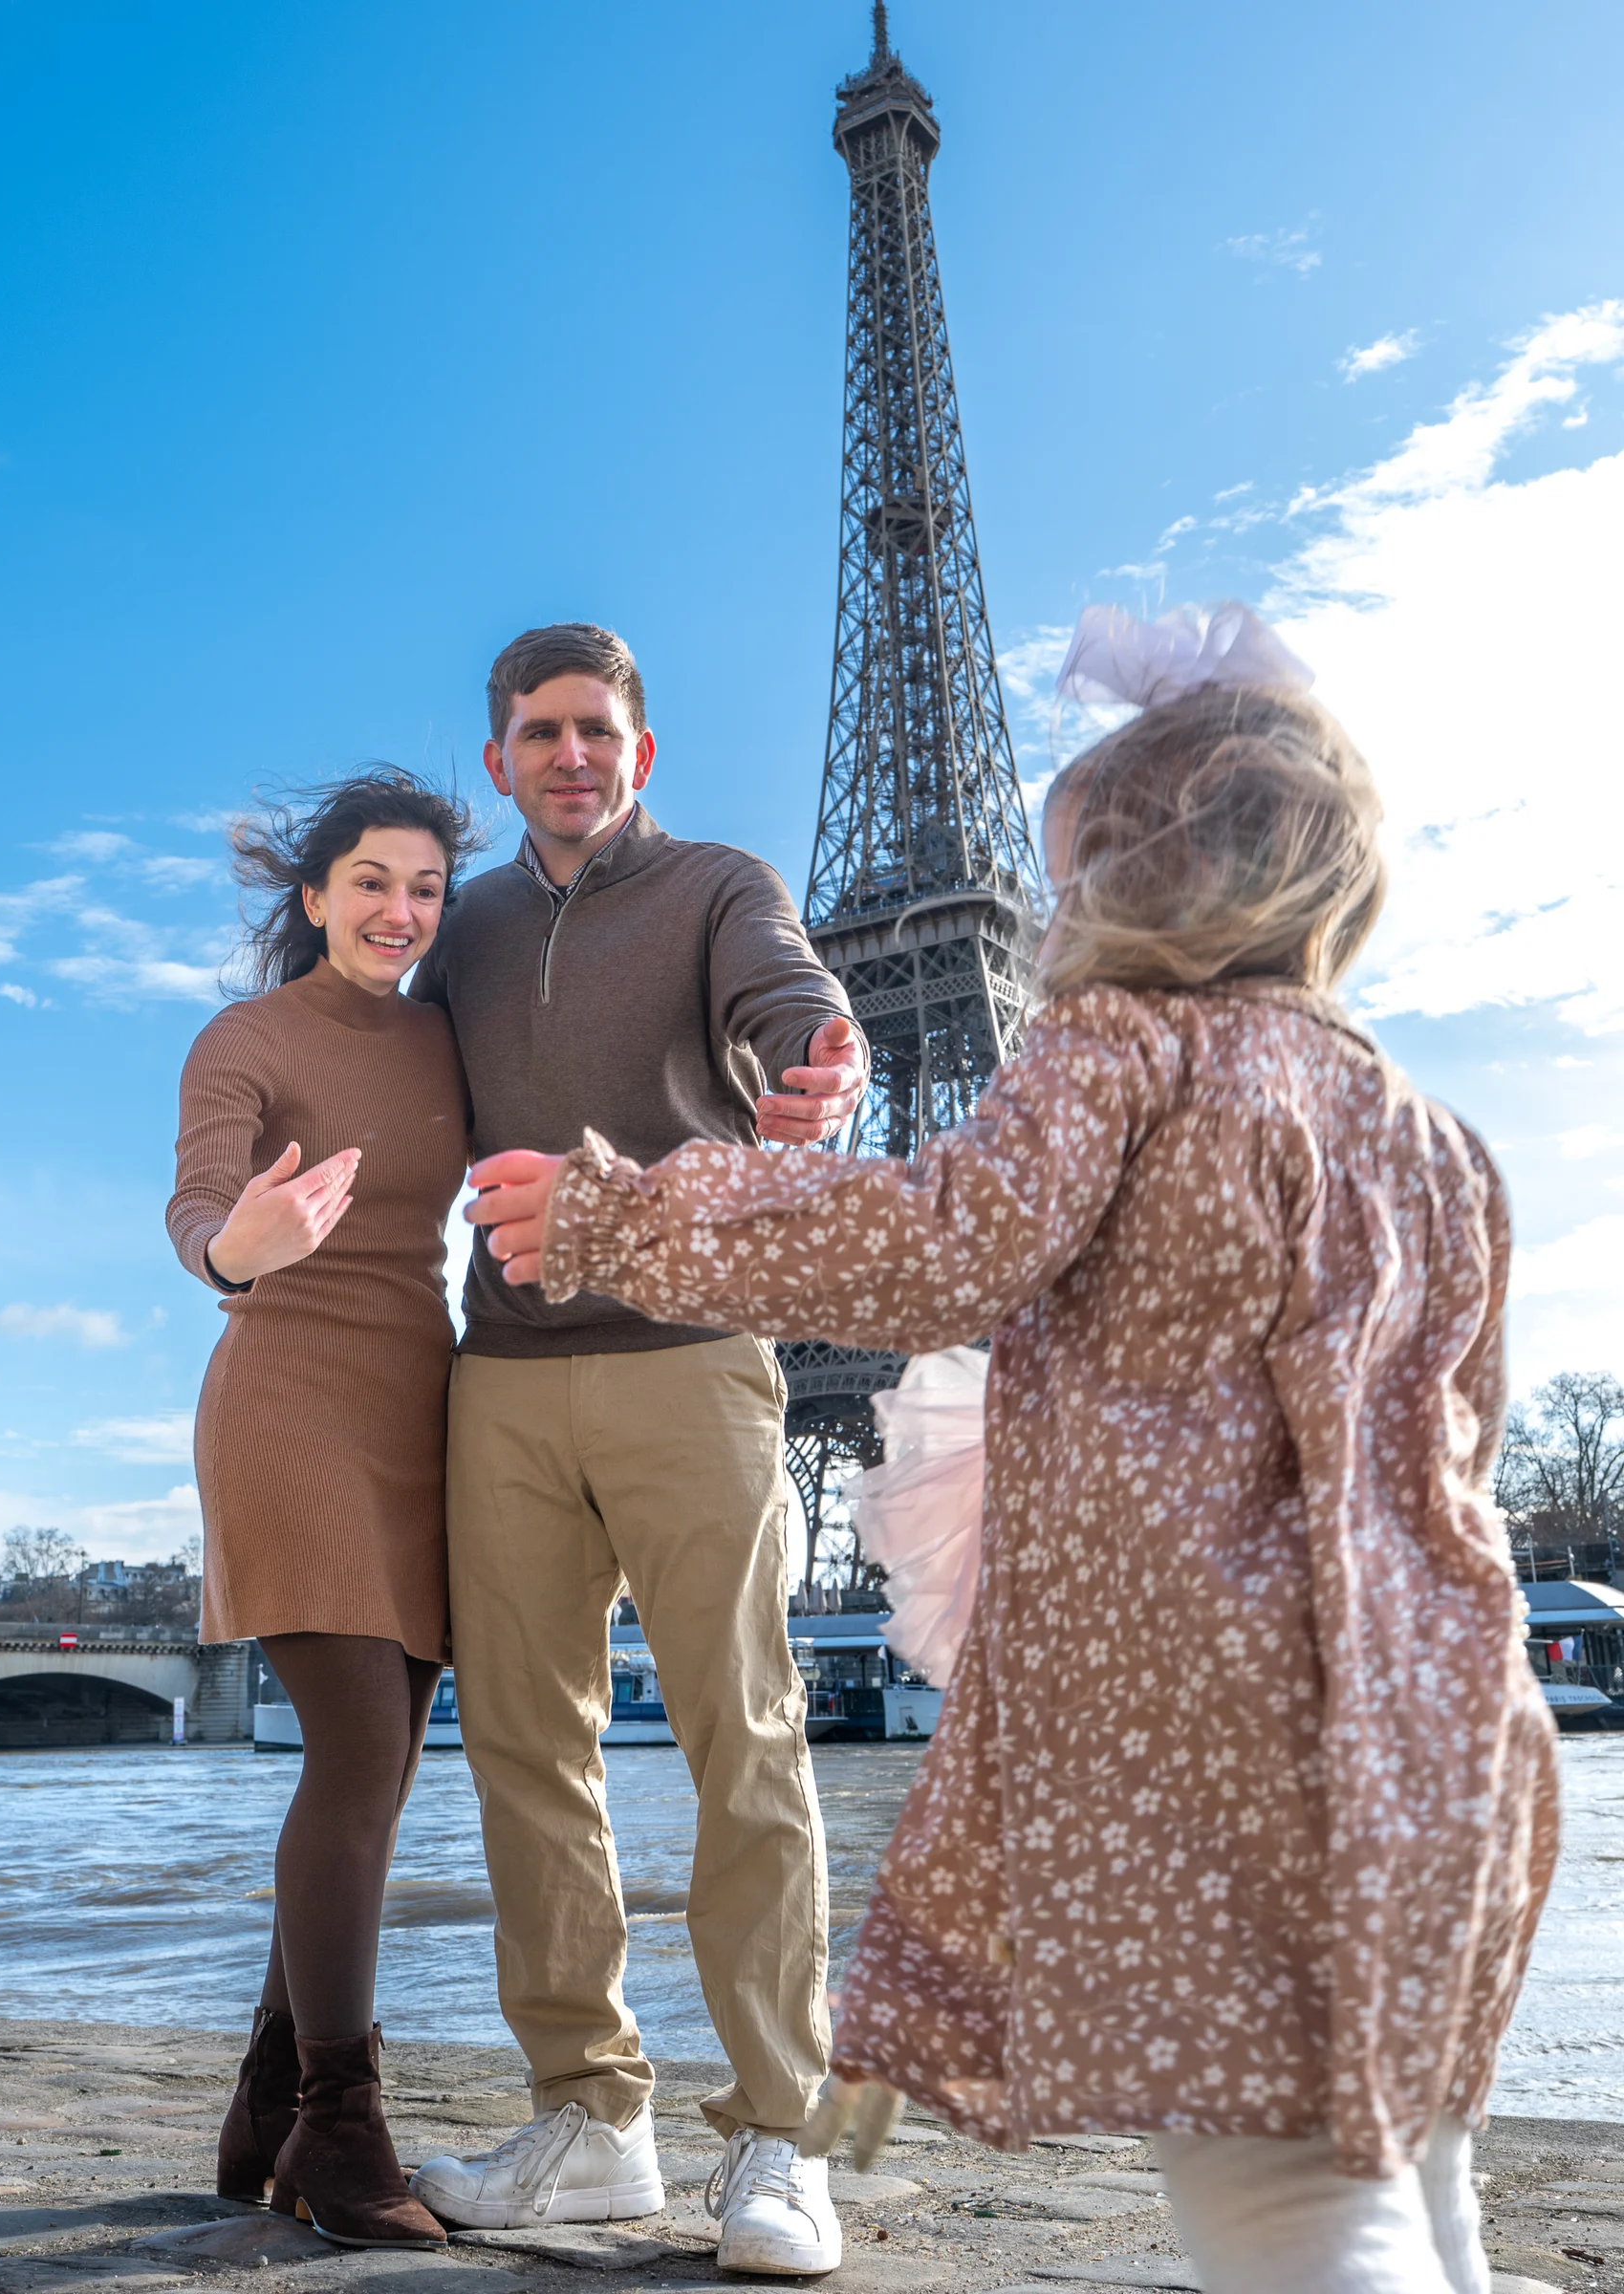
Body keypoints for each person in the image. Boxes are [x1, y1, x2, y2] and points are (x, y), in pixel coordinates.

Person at [466, 611, 1561, 2294]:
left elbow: (936, 1242)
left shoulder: (1120, 1045)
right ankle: (627, 2112)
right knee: (1421, 2185)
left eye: (1072, 877)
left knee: (1288, 2213)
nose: (1055, 917)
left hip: (1226, 1720)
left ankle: (775, 2129)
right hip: (1442, 1733)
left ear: (1138, 882)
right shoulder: (1433, 1135)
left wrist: (630, 1207)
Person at [404, 624, 866, 2276]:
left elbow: (794, 995)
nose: (570, 754)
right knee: (527, 1756)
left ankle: (781, 2142)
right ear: (501, 762)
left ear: (642, 752)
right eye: (539, 732)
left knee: (745, 1742)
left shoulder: (720, 886)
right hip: (504, 1377)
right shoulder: (461, 934)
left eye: (596, 729)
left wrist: (825, 1057)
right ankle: (592, 2123)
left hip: (688, 1365)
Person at [166, 769, 478, 2250]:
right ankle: (343, 2134)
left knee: (389, 1766)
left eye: (423, 887)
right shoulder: (246, 1037)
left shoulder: (445, 1035)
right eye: (370, 881)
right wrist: (241, 1246)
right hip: (290, 1411)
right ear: (313, 898)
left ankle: (267, 2100)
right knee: (356, 1753)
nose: (398, 911)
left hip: (427, 1411)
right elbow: (194, 1211)